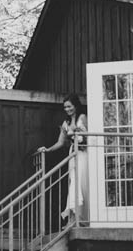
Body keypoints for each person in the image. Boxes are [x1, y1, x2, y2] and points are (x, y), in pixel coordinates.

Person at [38, 95, 89, 224]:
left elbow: (89, 135)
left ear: (75, 106)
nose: (67, 109)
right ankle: (74, 217)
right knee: (74, 182)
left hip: (83, 154)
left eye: (69, 106)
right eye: (65, 107)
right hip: (73, 154)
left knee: (82, 183)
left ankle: (83, 217)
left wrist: (82, 139)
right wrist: (48, 149)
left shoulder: (82, 118)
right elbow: (60, 142)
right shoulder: (65, 123)